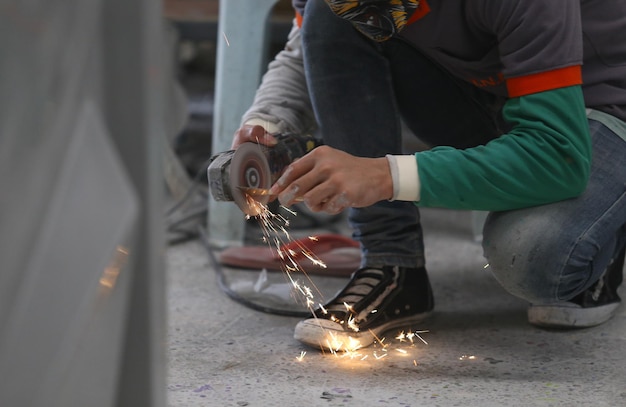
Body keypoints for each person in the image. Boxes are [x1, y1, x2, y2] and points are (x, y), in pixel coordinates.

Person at [231, 0, 626, 350]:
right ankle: (392, 265)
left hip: (595, 112)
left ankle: (608, 231)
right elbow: (308, 45)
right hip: (498, 97)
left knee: (533, 257)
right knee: (329, 13)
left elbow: (558, 155)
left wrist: (384, 175)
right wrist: (269, 122)